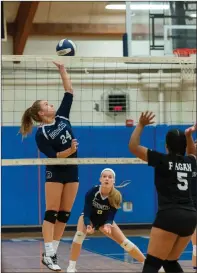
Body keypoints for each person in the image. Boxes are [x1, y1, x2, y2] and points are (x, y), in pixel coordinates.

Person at [20, 62, 79, 271]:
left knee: (65, 213)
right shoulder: (40, 134)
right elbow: (53, 156)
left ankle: (50, 254)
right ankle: (49, 251)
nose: (50, 104)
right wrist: (69, 151)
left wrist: (63, 69)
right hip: (56, 170)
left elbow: (69, 91)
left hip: (72, 168)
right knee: (52, 211)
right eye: (46, 104)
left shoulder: (62, 116)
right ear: (40, 114)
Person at [128, 111, 197, 273]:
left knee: (152, 264)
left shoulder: (161, 160)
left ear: (167, 146)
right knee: (169, 262)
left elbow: (133, 147)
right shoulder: (191, 162)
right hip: (190, 217)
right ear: (184, 147)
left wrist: (141, 125)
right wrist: (189, 136)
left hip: (169, 215)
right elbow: (193, 153)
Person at [66, 168, 145, 273]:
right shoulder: (92, 192)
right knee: (79, 235)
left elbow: (111, 215)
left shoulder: (116, 196)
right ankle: (71, 267)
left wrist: (108, 224)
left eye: (110, 177)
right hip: (89, 218)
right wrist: (87, 224)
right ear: (100, 179)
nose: (107, 179)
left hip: (104, 220)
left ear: (114, 180)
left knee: (125, 243)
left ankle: (147, 264)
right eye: (104, 176)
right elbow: (86, 211)